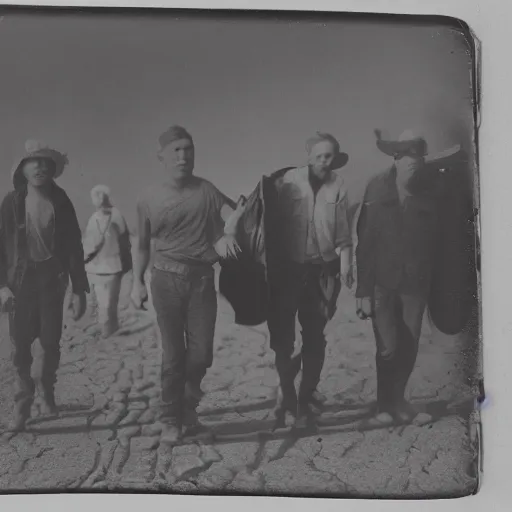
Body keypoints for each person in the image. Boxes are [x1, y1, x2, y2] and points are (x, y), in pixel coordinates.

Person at [130, 125, 238, 444]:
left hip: (202, 280)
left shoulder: (207, 190)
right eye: (176, 150)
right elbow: (141, 245)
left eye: (188, 149)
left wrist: (230, 231)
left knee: (202, 353)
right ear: (161, 156)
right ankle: (170, 418)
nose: (183, 155)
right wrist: (135, 282)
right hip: (164, 279)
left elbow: (234, 216)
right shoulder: (148, 197)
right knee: (174, 353)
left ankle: (188, 406)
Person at [355, 129, 464, 426]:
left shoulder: (432, 188)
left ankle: (398, 402)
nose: (413, 161)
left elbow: (444, 237)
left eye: (418, 155)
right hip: (382, 281)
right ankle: (383, 405)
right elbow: (364, 241)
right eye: (406, 156)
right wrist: (362, 291)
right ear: (396, 159)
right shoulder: (376, 187)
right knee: (388, 346)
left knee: (409, 344)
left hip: (416, 283)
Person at [264, 132, 353, 428]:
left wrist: (346, 266)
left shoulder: (338, 185)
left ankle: (306, 397)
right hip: (288, 272)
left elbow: (343, 234)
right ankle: (286, 397)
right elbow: (267, 225)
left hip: (322, 272)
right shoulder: (286, 182)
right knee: (283, 340)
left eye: (329, 156)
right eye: (319, 156)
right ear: (308, 156)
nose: (324, 162)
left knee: (315, 336)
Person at [0, 140, 89, 431]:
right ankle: (22, 408)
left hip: (52, 280)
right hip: (19, 282)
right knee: (20, 348)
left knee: (50, 342)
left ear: (52, 170)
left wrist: (79, 288)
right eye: (32, 161)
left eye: (45, 162)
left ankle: (47, 390)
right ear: (22, 169)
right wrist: (2, 286)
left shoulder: (61, 201)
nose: (39, 167)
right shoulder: (11, 202)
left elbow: (74, 245)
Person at [83, 184, 132, 338]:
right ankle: (109, 326)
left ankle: (107, 328)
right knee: (109, 299)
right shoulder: (116, 214)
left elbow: (89, 245)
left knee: (104, 299)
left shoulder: (94, 218)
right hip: (112, 263)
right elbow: (125, 240)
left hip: (98, 265)